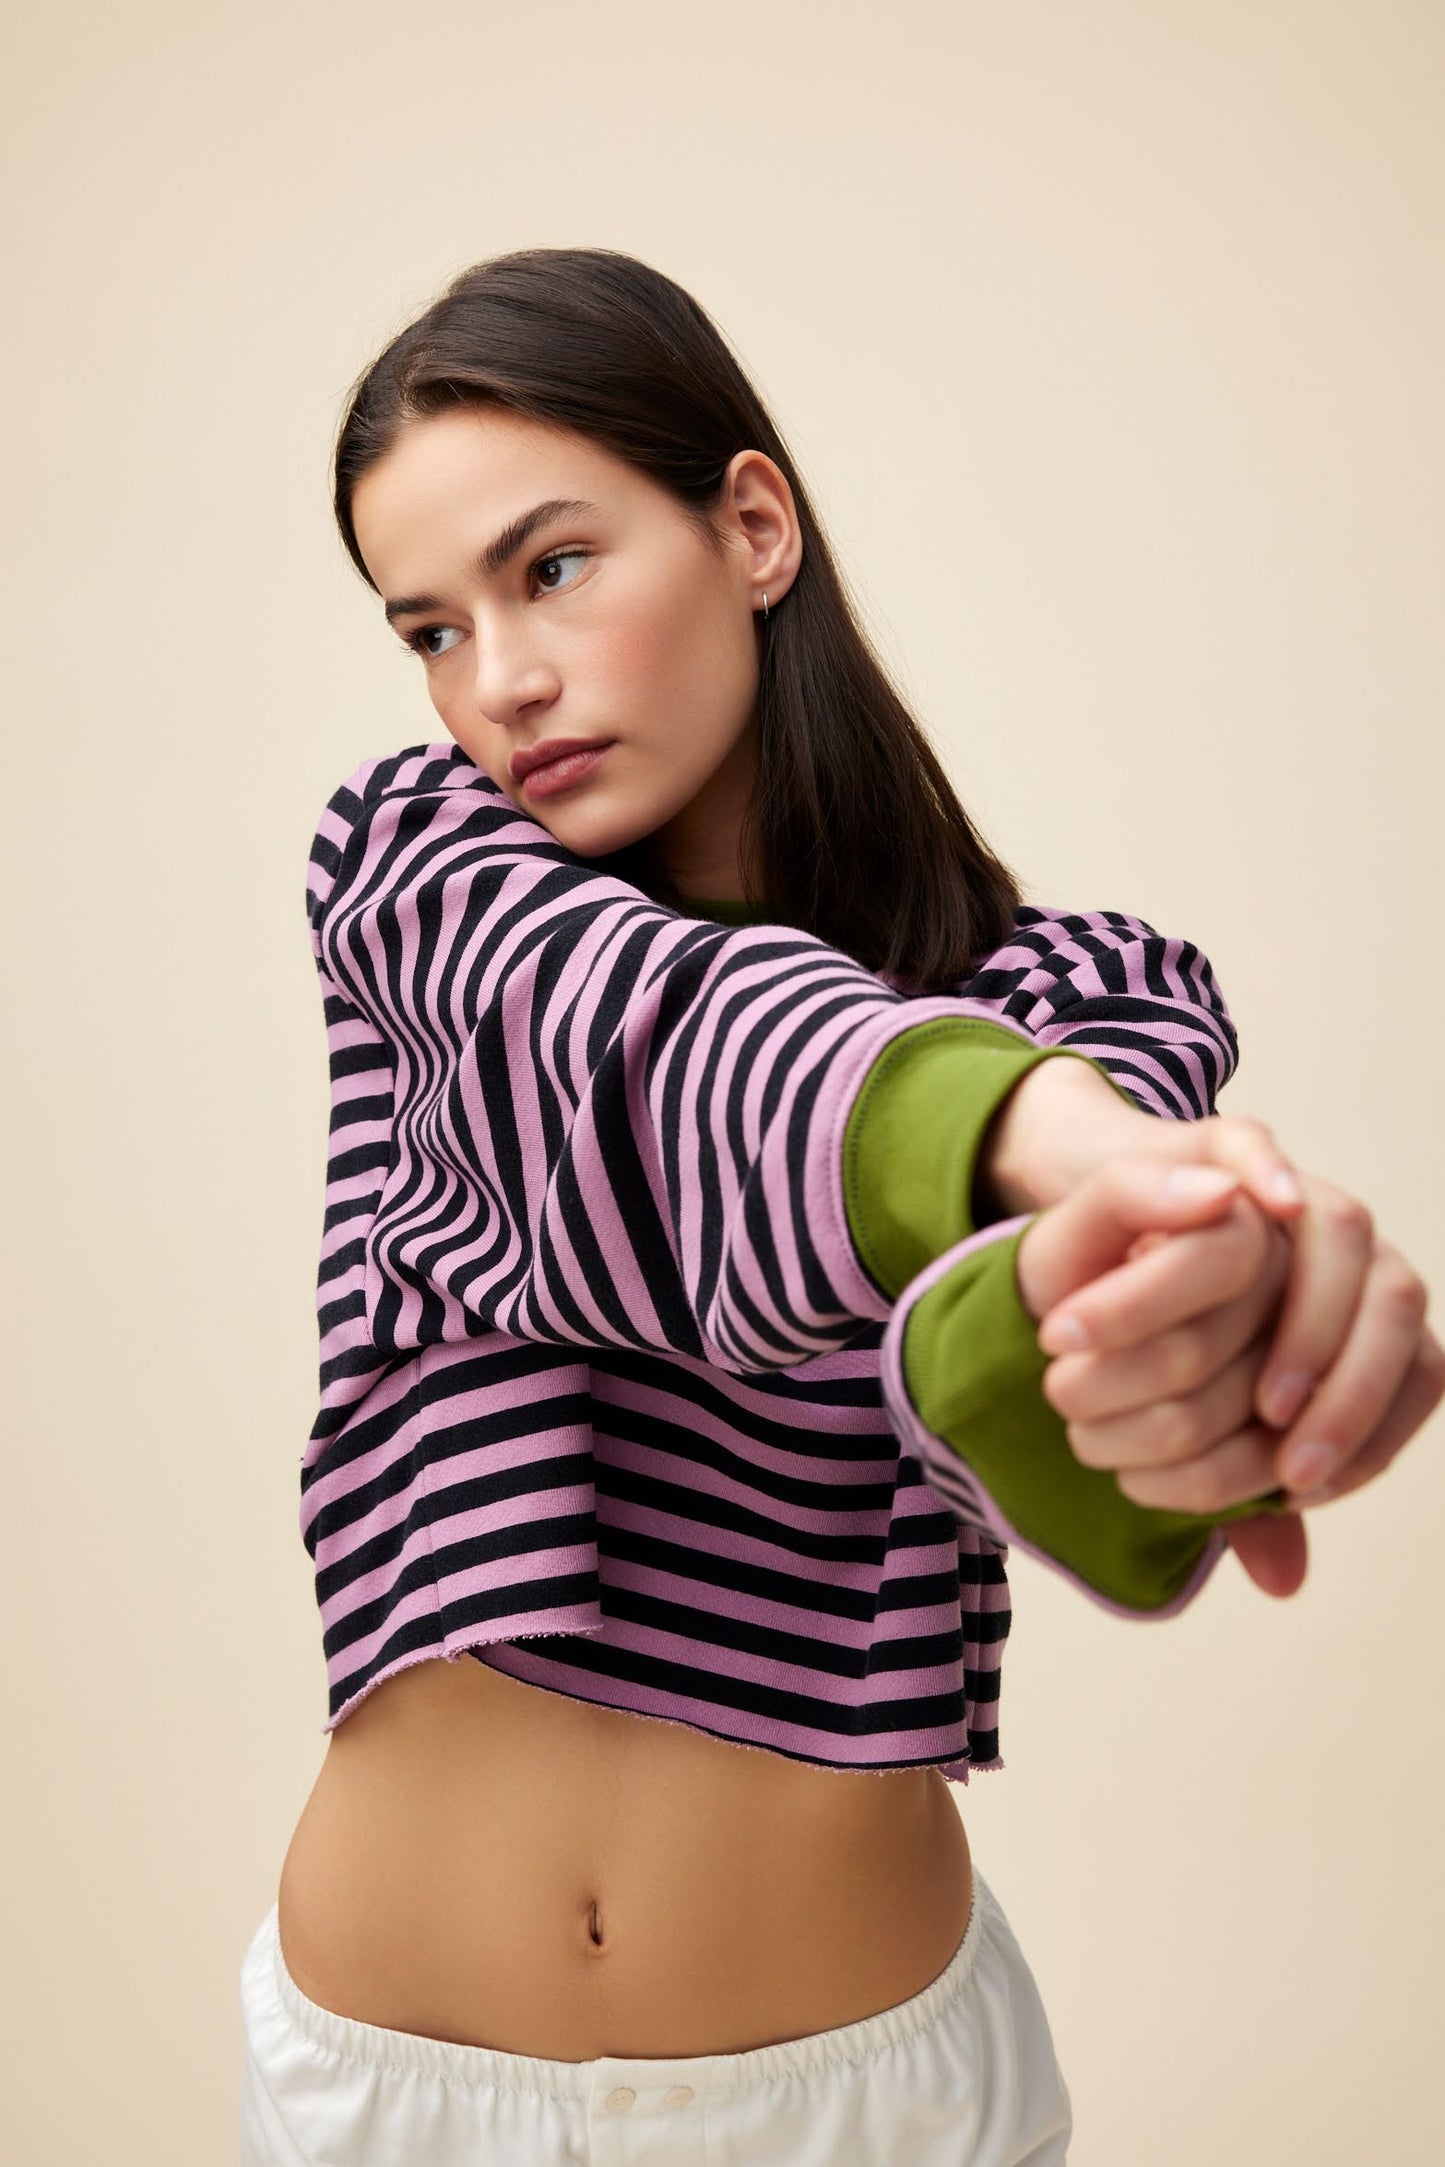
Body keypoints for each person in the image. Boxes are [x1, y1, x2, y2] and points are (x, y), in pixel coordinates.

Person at [236, 248, 1443, 2166]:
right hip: (398, 2090)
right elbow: (668, 1060)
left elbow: (1001, 1386)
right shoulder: (419, 876)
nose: (501, 683)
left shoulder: (1087, 1011)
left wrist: (1186, 1334)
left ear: (753, 525)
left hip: (862, 2107)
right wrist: (1030, 1140)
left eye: (549, 568)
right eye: (429, 630)